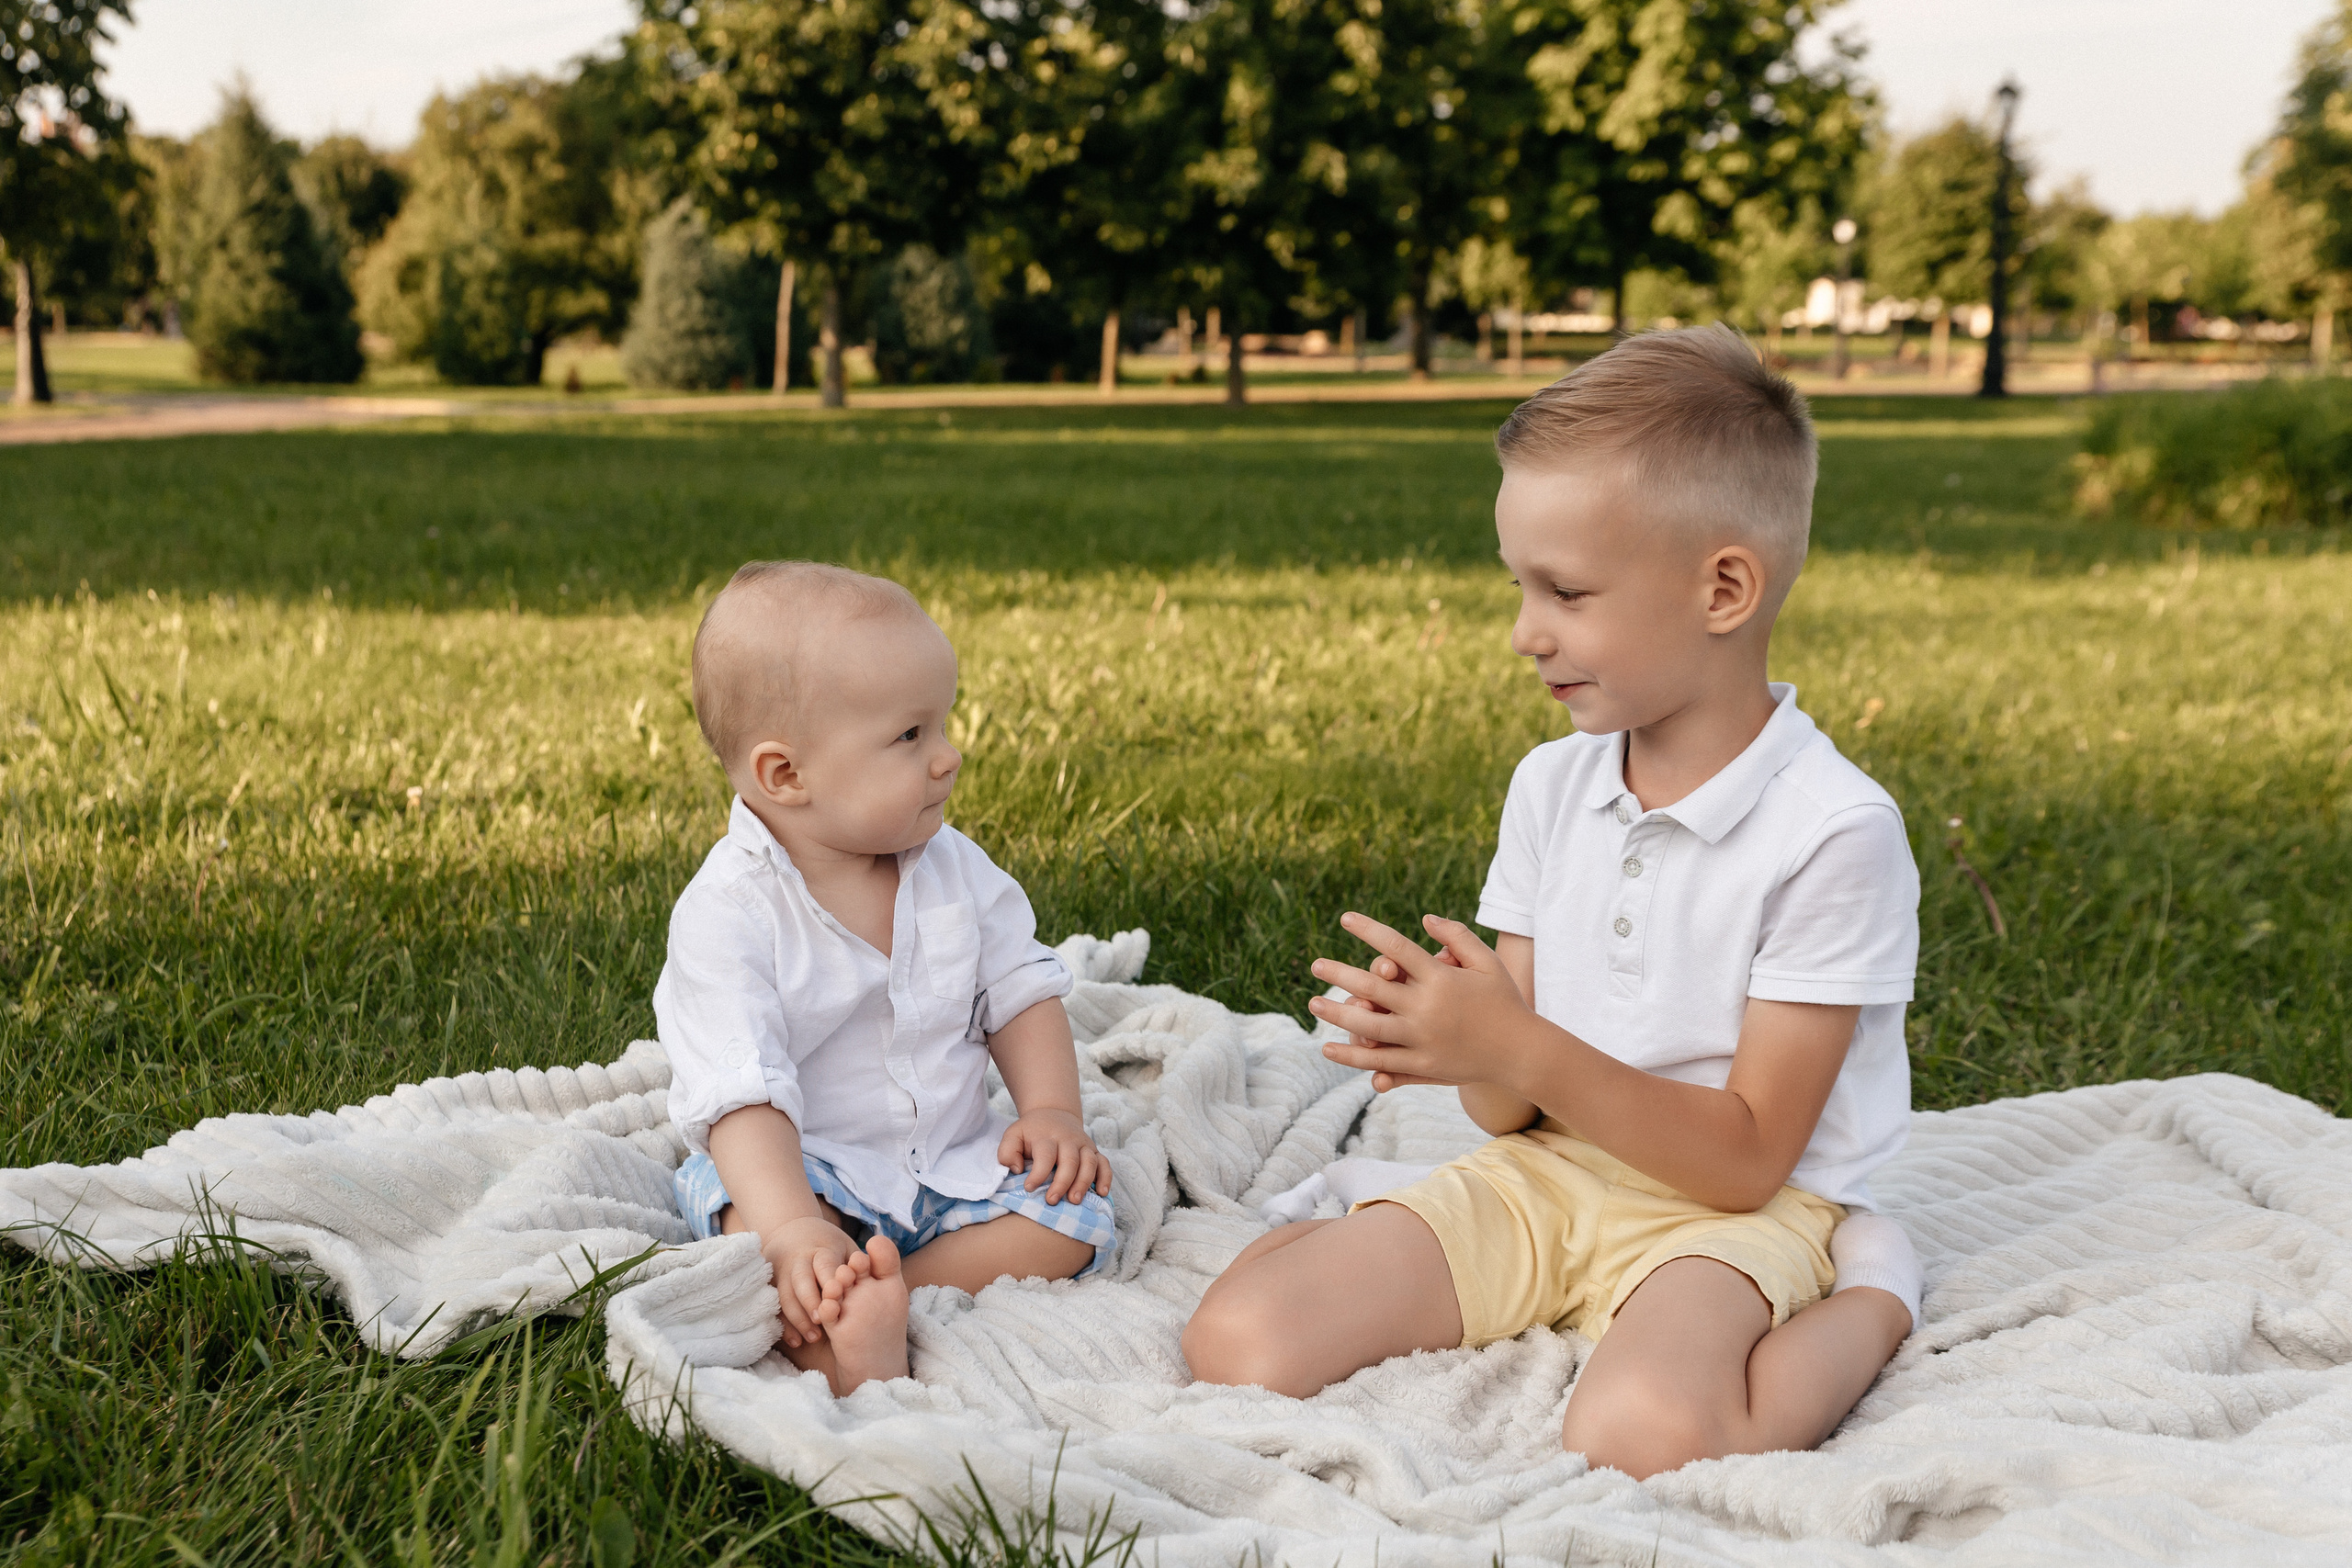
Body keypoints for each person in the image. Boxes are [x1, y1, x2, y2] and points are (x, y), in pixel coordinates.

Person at [1182, 325, 1922, 1477]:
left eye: (1566, 592)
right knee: (1238, 1338)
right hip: (1551, 1173)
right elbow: (1507, 1117)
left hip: (1732, 1216)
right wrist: (1455, 1036)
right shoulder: (1552, 784)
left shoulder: (1833, 833)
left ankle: (1877, 1294)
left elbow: (1746, 1161)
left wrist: (1517, 1042)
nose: (1527, 633)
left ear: (1724, 587)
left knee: (1646, 1434)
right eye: (1519, 586)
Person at [659, 561, 1114, 1395]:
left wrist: (1051, 1111)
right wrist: (794, 1225)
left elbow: (1019, 990)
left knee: (1075, 1216)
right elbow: (741, 1093)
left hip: (948, 1164)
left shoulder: (954, 868)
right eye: (911, 737)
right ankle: (833, 1302)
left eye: (942, 725)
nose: (949, 756)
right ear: (785, 776)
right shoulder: (728, 915)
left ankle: (888, 1298)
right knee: (746, 1232)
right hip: (808, 1170)